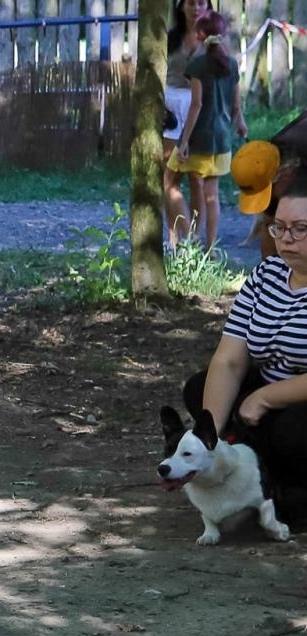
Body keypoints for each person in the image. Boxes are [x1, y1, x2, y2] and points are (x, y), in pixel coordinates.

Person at [182, 170, 307, 519]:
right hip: (272, 385)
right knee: (198, 389)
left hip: (298, 400)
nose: (286, 239)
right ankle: (245, 473)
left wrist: (265, 397)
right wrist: (210, 440)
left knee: (291, 430)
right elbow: (230, 361)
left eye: (300, 229)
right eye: (278, 227)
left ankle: (293, 494)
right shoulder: (266, 275)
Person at [173, 10, 247, 253]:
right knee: (212, 194)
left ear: (200, 35)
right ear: (222, 35)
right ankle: (211, 246)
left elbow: (196, 105)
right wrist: (240, 123)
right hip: (222, 139)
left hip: (200, 138)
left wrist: (184, 141)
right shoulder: (232, 65)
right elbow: (236, 105)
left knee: (193, 187)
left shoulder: (197, 65)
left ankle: (193, 239)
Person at [163, 0, 210, 250]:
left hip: (200, 107)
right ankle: (174, 240)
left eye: (201, 2)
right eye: (191, 2)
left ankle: (194, 241)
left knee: (197, 179)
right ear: (181, 7)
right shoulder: (171, 38)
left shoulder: (214, 40)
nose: (196, 7)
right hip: (171, 107)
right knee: (170, 175)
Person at [232, 111, 307, 258]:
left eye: (269, 191)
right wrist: (267, 273)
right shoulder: (268, 158)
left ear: (285, 172)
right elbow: (268, 223)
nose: (269, 201)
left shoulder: (297, 158)